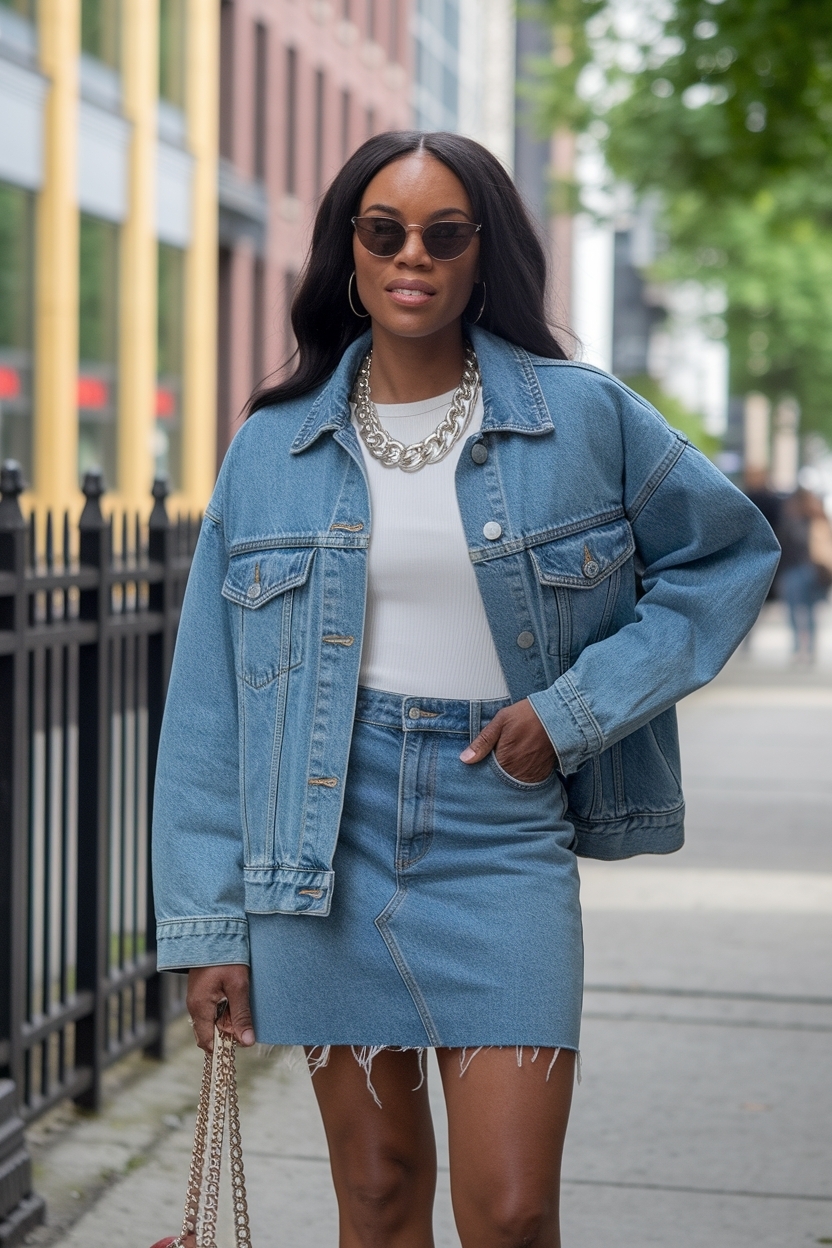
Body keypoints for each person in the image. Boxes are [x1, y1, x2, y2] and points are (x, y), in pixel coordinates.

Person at [152, 132, 779, 1248]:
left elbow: (725, 555)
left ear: (482, 253)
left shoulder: (579, 414)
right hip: (322, 842)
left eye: (444, 235)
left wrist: (574, 711)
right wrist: (211, 928)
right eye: (383, 231)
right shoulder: (273, 445)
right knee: (381, 1194)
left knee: (510, 1208)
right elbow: (210, 702)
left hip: (498, 833)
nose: (412, 258)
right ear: (347, 248)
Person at [777, 487, 832, 662]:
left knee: (805, 610)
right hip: (795, 570)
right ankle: (800, 647)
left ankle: (806, 648)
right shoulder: (791, 521)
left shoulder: (816, 520)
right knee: (798, 610)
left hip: (811, 570)